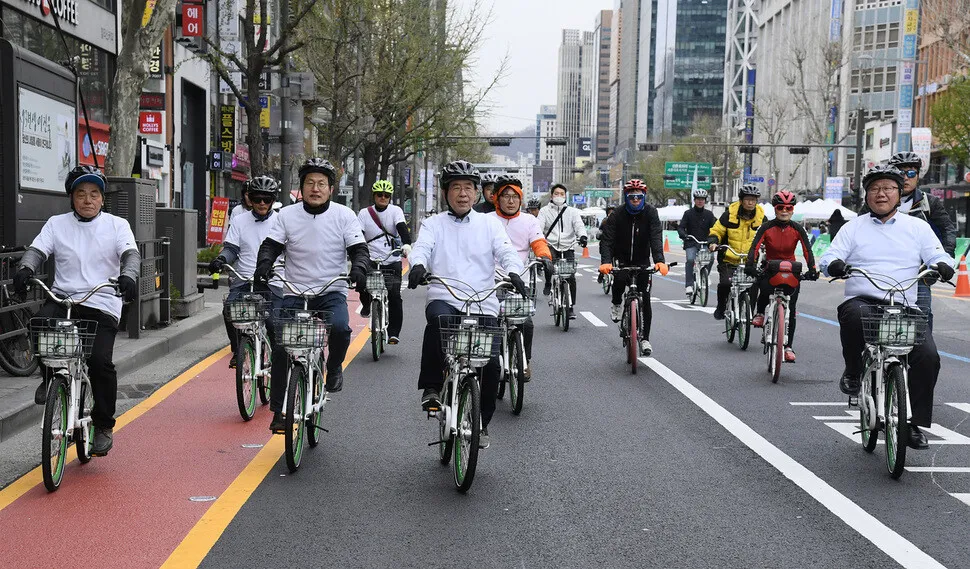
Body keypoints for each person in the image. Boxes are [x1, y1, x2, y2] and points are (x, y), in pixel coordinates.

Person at [820, 165, 954, 449]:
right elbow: (831, 255)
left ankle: (914, 425)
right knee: (853, 315)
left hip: (904, 304)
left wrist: (943, 265)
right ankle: (854, 371)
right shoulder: (852, 227)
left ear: (899, 193)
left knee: (928, 356)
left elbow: (937, 253)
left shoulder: (917, 227)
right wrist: (834, 264)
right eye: (875, 189)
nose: (881, 194)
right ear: (867, 195)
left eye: (888, 188)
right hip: (864, 300)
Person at [13, 166, 140, 456]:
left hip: (102, 301)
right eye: (81, 194)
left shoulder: (117, 225)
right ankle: (50, 378)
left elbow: (130, 254)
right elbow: (38, 250)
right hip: (64, 299)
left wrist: (129, 276)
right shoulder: (57, 224)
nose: (87, 199)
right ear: (72, 198)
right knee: (39, 324)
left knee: (99, 362)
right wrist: (25, 267)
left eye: (94, 194)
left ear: (102, 199)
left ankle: (104, 425)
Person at [408, 160, 527, 449]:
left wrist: (514, 271)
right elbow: (421, 249)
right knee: (436, 322)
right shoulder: (432, 224)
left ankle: (481, 423)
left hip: (482, 300)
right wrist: (418, 265)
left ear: (476, 194)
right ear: (446, 193)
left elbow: (506, 250)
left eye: (469, 188)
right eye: (456, 188)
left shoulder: (489, 223)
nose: (463, 194)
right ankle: (433, 387)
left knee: (490, 365)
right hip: (445, 296)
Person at [254, 158, 370, 433]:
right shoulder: (287, 216)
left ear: (331, 188)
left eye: (321, 184)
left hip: (331, 289)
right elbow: (271, 246)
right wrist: (264, 264)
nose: (315, 189)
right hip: (295, 290)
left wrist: (360, 268)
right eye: (309, 183)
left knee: (341, 328)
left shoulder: (344, 215)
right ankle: (280, 410)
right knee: (282, 347)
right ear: (302, 187)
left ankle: (334, 366)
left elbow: (358, 249)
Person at [209, 176, 283, 368]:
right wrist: (221, 259)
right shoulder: (240, 220)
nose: (261, 203)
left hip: (273, 280)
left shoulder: (281, 221)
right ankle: (237, 349)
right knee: (229, 309)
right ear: (249, 198)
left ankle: (277, 360)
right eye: (257, 198)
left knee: (274, 322)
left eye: (266, 199)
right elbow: (231, 248)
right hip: (245, 279)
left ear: (273, 200)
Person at [487, 175, 554, 377]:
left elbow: (539, 242)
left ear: (521, 199)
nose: (510, 201)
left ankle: (524, 361)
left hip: (518, 281)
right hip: (489, 282)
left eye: (515, 196)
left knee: (526, 323)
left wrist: (545, 257)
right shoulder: (486, 220)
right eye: (505, 196)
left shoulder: (529, 221)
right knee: (490, 323)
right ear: (497, 199)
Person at [884, 152, 958, 331]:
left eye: (911, 173)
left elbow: (948, 230)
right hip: (883, 271)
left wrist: (944, 260)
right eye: (900, 172)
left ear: (918, 176)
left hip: (919, 276)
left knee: (921, 322)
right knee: (871, 319)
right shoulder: (879, 199)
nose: (906, 178)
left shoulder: (929, 202)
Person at [744, 191, 818, 363]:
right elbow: (755, 248)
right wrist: (750, 266)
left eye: (788, 208)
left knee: (790, 310)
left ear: (792, 210)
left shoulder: (798, 228)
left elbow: (807, 250)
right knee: (763, 286)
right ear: (775, 209)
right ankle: (760, 313)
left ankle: (788, 347)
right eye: (780, 208)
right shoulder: (766, 227)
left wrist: (812, 269)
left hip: (791, 270)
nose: (784, 211)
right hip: (770, 268)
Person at [598, 179, 668, 356]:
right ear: (626, 197)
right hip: (621, 258)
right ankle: (616, 304)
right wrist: (606, 261)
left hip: (642, 259)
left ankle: (645, 339)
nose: (635, 200)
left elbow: (656, 237)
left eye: (639, 196)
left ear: (644, 196)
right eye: (631, 196)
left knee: (645, 297)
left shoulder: (651, 213)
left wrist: (659, 260)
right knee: (619, 282)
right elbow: (607, 240)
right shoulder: (617, 215)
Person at [357, 179, 412, 344]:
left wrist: (407, 244)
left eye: (386, 195)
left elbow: (402, 228)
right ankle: (367, 305)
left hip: (391, 258)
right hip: (371, 258)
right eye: (380, 195)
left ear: (390, 197)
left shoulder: (396, 211)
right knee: (361, 283)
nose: (383, 198)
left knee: (394, 295)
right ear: (374, 196)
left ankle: (394, 332)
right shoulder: (364, 213)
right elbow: (358, 234)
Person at [708, 184, 765, 320]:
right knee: (725, 284)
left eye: (754, 199)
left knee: (755, 285)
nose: (751, 202)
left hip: (751, 260)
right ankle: (721, 306)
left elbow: (768, 234)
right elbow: (717, 230)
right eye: (748, 199)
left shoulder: (761, 217)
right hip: (729, 259)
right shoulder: (729, 215)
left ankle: (748, 314)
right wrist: (713, 242)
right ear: (741, 200)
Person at [539, 183, 588, 317]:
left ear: (565, 196)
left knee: (571, 276)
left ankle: (570, 306)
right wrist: (538, 238)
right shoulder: (544, 211)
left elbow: (579, 226)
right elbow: (538, 227)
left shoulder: (572, 212)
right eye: (556, 194)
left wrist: (582, 236)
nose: (559, 196)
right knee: (549, 266)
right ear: (551, 196)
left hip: (568, 245)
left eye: (562, 194)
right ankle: (549, 282)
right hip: (551, 244)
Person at [678, 188, 717, 298]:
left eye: (702, 199)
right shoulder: (688, 213)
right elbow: (681, 227)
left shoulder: (709, 215)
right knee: (690, 260)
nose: (700, 201)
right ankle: (689, 285)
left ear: (705, 201)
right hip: (691, 242)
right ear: (694, 200)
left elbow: (716, 227)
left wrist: (714, 238)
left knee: (711, 259)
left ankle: (705, 276)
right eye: (698, 199)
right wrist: (684, 235)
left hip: (705, 242)